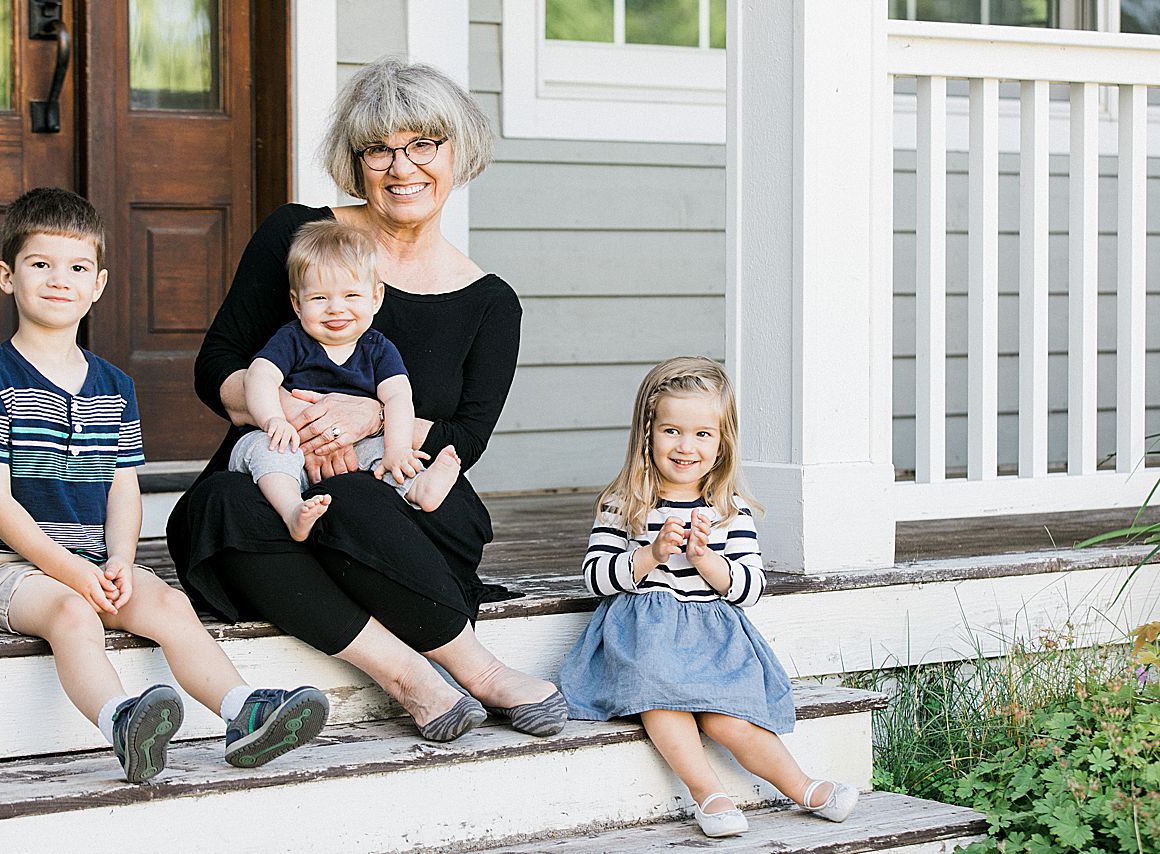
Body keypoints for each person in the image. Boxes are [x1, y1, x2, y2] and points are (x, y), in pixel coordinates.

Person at [167, 58, 565, 743]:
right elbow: (218, 368)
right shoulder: (299, 236)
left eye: (422, 145)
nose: (400, 166)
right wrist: (296, 415)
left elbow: (468, 432)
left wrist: (377, 416)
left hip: (403, 500)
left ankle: (480, 670)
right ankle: (412, 679)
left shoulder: (490, 302)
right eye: (377, 148)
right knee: (216, 509)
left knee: (353, 492)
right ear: (356, 162)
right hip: (284, 477)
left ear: (457, 150)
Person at [0, 188, 328, 784]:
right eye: (39, 265)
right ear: (6, 276)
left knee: (170, 603)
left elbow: (123, 488)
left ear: (97, 285)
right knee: (75, 615)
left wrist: (121, 558)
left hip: (98, 560)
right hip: (7, 567)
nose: (58, 280)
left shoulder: (114, 386)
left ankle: (244, 710)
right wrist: (72, 572)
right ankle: (123, 722)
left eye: (76, 268)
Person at [557, 357, 859, 837]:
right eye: (672, 431)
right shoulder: (625, 502)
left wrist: (706, 561)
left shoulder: (728, 509)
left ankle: (802, 786)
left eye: (703, 435)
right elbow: (595, 577)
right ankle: (708, 794)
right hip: (644, 637)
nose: (685, 446)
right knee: (659, 699)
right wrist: (651, 554)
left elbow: (750, 586)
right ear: (647, 434)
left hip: (713, 637)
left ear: (722, 443)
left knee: (727, 718)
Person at [229, 219, 463, 542]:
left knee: (389, 452)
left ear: (376, 298)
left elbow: (398, 397)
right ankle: (292, 510)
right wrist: (273, 419)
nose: (336, 309)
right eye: (320, 299)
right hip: (289, 443)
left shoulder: (378, 349)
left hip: (353, 449)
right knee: (265, 449)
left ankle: (418, 488)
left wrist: (397, 448)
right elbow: (259, 375)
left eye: (351, 295)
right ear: (297, 303)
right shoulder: (292, 340)